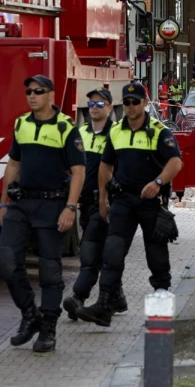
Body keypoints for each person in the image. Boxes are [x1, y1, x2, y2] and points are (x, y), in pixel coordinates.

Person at [78, 84, 183, 327]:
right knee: (112, 253)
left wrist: (158, 182)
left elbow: (176, 162)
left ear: (145, 102)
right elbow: (105, 165)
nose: (131, 107)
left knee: (156, 255)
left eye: (135, 102)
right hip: (122, 200)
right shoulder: (116, 132)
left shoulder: (158, 131)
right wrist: (103, 200)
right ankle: (104, 305)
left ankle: (160, 313)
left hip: (149, 202)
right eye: (127, 102)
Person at [0, 75, 84, 353]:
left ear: (51, 95)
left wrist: (71, 208)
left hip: (53, 205)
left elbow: (79, 172)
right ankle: (29, 314)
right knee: (7, 258)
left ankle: (48, 328)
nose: (32, 96)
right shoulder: (21, 124)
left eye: (38, 91)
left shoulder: (65, 127)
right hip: (21, 204)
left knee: (49, 270)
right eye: (29, 92)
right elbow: (13, 164)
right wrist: (2, 203)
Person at [64, 88, 127, 321]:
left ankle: (78, 297)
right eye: (91, 104)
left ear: (110, 108)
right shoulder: (80, 133)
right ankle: (117, 297)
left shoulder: (118, 134)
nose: (94, 108)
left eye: (100, 104)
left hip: (107, 204)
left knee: (90, 252)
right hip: (86, 203)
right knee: (102, 253)